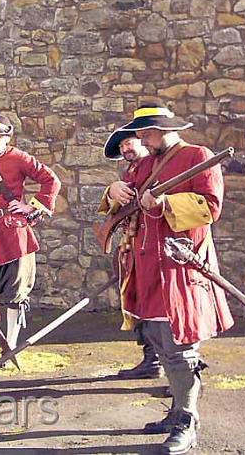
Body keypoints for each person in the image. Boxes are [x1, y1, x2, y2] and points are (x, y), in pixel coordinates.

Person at [101, 105, 234, 455]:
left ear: (164, 130)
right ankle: (177, 409)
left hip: (180, 268)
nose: (141, 140)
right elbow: (124, 196)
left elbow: (210, 207)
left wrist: (164, 203)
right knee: (159, 340)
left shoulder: (198, 156)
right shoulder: (145, 163)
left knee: (180, 348)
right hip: (145, 266)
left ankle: (187, 421)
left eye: (146, 133)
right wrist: (113, 190)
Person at [0, 114, 61, 352]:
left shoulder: (18, 158)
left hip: (13, 233)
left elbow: (51, 180)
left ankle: (10, 344)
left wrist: (32, 206)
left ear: (7, 138)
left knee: (15, 291)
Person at [98, 129, 163, 380]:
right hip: (134, 250)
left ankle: (181, 374)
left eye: (129, 142)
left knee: (161, 309)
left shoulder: (153, 165)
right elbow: (119, 206)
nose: (126, 149)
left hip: (154, 249)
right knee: (139, 304)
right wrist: (112, 189)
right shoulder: (132, 171)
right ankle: (151, 360)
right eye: (122, 146)